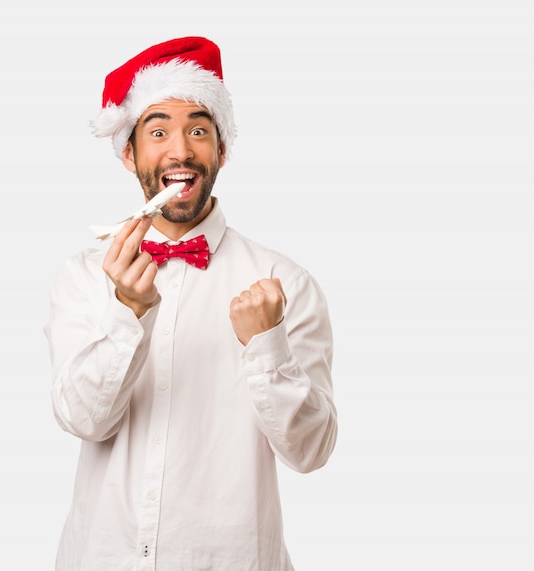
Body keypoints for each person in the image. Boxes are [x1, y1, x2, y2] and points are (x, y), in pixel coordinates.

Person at [44, 36, 337, 571]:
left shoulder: (284, 282)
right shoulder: (84, 276)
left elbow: (311, 451)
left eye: (198, 130)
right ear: (129, 153)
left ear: (221, 150)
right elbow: (83, 421)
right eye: (157, 131)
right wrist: (126, 313)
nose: (180, 150)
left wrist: (268, 346)